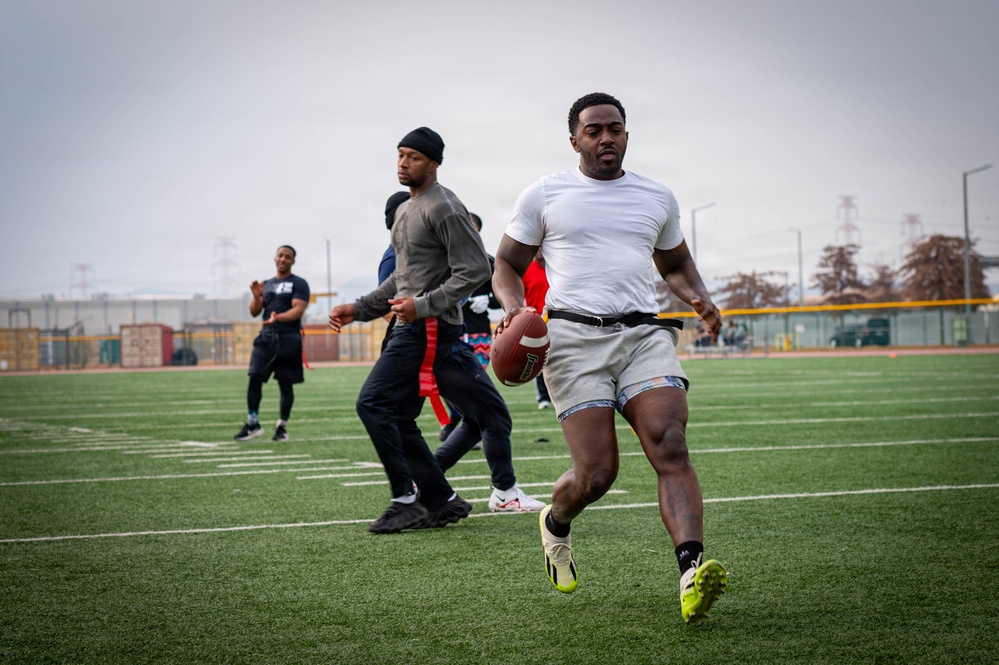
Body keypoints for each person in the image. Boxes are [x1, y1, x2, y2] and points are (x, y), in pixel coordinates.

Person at [492, 93, 728, 625]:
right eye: (594, 130)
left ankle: (691, 574)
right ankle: (555, 521)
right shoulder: (545, 193)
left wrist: (699, 295)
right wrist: (513, 308)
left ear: (627, 134)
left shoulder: (656, 195)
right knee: (597, 474)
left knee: (670, 441)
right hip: (573, 341)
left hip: (645, 334)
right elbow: (506, 263)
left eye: (615, 129)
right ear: (574, 139)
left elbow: (677, 262)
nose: (606, 138)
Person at [329, 127, 536, 533]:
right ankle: (440, 499)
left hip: (429, 329)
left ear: (434, 162)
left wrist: (422, 305)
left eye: (414, 157)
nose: (404, 163)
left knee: (373, 404)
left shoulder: (444, 206)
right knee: (404, 415)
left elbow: (476, 268)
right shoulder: (405, 210)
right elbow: (402, 280)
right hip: (419, 330)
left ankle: (407, 500)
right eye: (400, 155)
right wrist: (358, 309)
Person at [234, 245, 310, 443]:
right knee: (254, 377)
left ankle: (281, 427)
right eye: (280, 255)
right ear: (275, 258)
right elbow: (254, 312)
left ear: (293, 261)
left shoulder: (299, 283)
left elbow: (298, 310)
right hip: (266, 337)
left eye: (287, 257)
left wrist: (279, 318)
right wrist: (257, 296)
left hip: (289, 338)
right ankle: (253, 423)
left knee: (285, 385)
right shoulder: (266, 284)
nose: (283, 259)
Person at [521, 247, 552, 410]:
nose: (540, 250)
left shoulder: (555, 267)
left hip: (557, 320)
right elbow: (519, 296)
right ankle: (543, 397)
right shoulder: (527, 269)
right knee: (540, 360)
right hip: (537, 321)